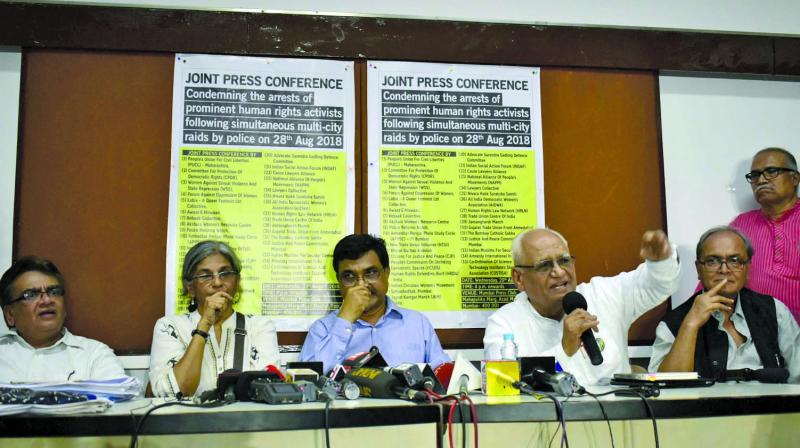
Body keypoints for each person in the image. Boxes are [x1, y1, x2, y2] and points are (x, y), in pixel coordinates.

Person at [483, 228, 680, 386]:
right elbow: (504, 384)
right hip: (548, 429)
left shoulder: (604, 294)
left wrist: (660, 261)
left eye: (564, 261)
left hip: (618, 422)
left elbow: (658, 286)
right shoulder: (504, 323)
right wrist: (564, 350)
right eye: (544, 265)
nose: (559, 272)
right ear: (519, 278)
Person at [649, 226, 800, 382]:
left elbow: (798, 375)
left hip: (774, 406)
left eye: (734, 260)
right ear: (699, 270)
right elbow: (665, 389)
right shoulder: (674, 322)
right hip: (708, 406)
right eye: (712, 261)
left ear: (747, 269)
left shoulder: (774, 310)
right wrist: (690, 324)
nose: (724, 269)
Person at [300, 234, 450, 373]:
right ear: (339, 282)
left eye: (370, 273)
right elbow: (308, 380)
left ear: (387, 273)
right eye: (349, 276)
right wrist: (344, 320)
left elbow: (444, 375)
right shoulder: (322, 329)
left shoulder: (417, 324)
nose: (361, 285)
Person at [149, 241, 280, 397]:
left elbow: (268, 390)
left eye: (225, 274)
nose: (218, 282)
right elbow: (177, 392)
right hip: (186, 420)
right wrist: (204, 325)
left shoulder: (259, 327)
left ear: (237, 282)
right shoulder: (170, 327)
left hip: (246, 420)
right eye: (205, 275)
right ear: (190, 288)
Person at [0, 256, 125, 382]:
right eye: (31, 295)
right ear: (10, 315)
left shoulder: (94, 355)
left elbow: (120, 398)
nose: (47, 300)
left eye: (54, 292)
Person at [731, 147, 800, 321]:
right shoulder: (742, 224)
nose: (761, 180)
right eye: (754, 175)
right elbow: (717, 274)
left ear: (795, 178)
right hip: (757, 335)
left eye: (771, 171)